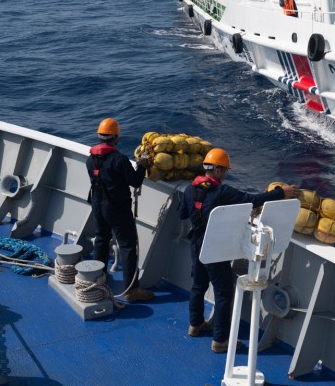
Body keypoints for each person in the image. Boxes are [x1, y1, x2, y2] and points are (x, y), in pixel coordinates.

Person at [179, 147, 298, 352]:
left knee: (198, 285)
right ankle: (220, 341)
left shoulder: (190, 190)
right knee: (224, 292)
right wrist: (281, 192)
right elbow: (252, 199)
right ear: (216, 170)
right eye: (224, 171)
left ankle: (195, 325)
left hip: (196, 245)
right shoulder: (222, 192)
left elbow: (182, 214)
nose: (225, 175)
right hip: (215, 247)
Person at [87, 117, 154, 302]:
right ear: (115, 138)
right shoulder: (119, 160)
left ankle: (99, 277)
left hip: (97, 205)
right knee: (127, 245)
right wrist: (141, 165)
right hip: (116, 208)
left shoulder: (90, 159)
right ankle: (131, 290)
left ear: (100, 137)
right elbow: (135, 181)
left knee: (101, 239)